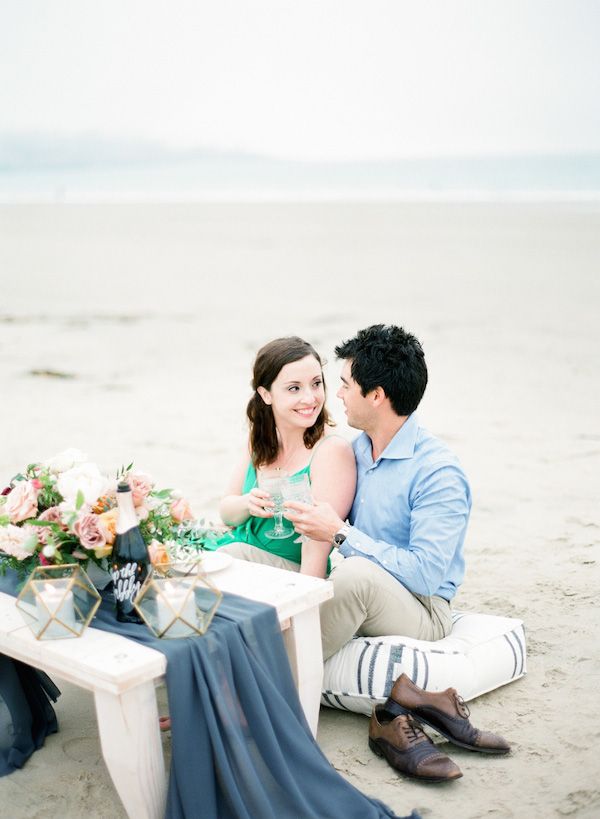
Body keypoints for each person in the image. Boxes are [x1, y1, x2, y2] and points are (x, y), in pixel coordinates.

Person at [284, 324, 472, 660]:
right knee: (246, 557)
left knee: (354, 577)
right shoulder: (353, 453)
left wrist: (340, 534)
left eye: (345, 386)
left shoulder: (437, 472)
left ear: (375, 396)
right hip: (354, 586)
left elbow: (425, 575)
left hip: (422, 608)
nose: (338, 395)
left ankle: (264, 683)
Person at [214, 336, 356, 578]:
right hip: (237, 554)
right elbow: (226, 512)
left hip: (284, 571)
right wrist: (248, 503)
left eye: (316, 384)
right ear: (266, 394)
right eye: (294, 388)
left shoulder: (331, 451)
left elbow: (315, 555)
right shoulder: (260, 441)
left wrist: (302, 612)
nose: (310, 398)